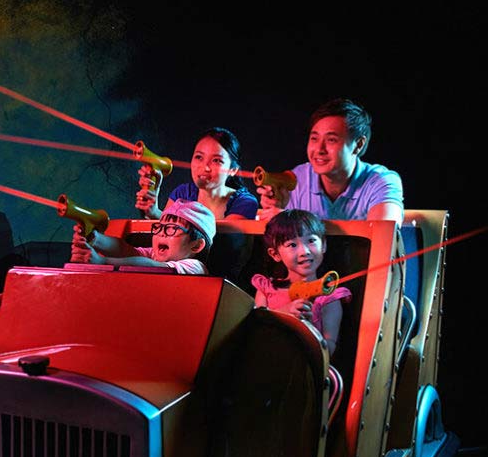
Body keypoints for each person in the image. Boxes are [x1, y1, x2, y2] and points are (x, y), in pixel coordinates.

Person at [257, 98, 403, 225]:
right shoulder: (298, 180)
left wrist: (294, 222)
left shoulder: (381, 181)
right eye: (314, 138)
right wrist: (276, 213)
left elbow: (384, 233)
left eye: (331, 140)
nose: (319, 149)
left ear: (358, 145)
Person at [252, 209, 352, 354]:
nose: (304, 251)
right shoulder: (266, 289)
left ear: (323, 245)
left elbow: (329, 350)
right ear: (275, 254)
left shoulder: (329, 297)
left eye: (311, 241)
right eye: (292, 245)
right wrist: (283, 314)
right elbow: (255, 330)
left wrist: (308, 329)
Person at [136, 127, 258, 221]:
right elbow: (168, 230)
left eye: (216, 160)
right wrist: (153, 211)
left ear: (233, 170)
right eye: (199, 157)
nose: (205, 167)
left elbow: (221, 240)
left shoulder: (245, 203)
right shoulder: (182, 193)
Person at [71, 199, 216, 273]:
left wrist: (103, 262)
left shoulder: (194, 267)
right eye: (160, 227)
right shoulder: (154, 255)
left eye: (172, 229)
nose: (161, 233)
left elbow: (155, 268)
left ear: (196, 245)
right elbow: (127, 251)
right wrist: (95, 239)